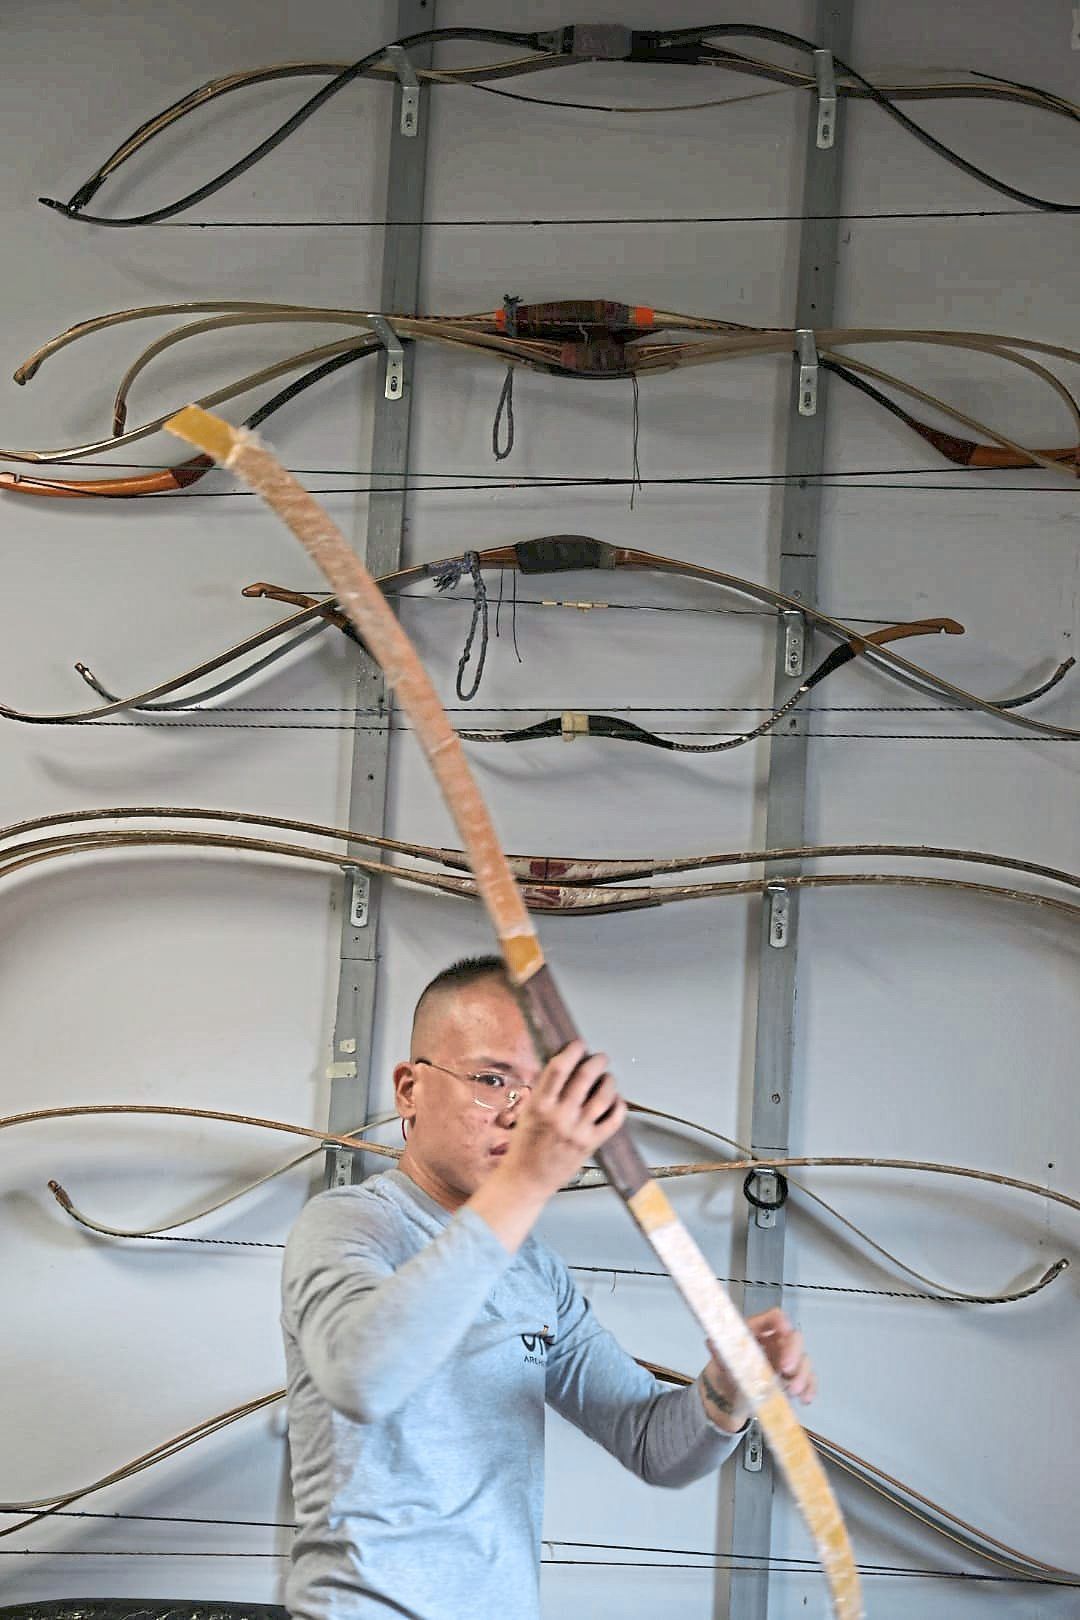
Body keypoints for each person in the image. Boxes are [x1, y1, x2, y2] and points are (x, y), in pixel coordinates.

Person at [281, 956, 815, 1620]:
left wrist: (725, 1393)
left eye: (535, 1094)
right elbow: (364, 1377)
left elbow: (648, 1439)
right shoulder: (347, 1225)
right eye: (489, 1079)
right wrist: (527, 1182)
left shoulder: (532, 1271)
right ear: (408, 1090)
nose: (517, 1116)